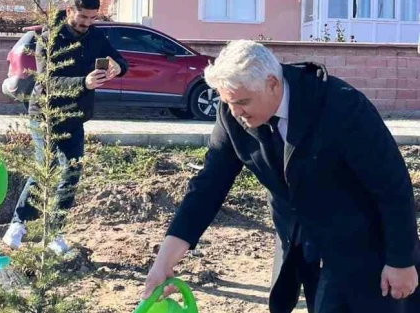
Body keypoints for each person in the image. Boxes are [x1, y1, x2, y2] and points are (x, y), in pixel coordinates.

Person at [143, 40, 420, 313]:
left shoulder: (341, 106)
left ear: (272, 84)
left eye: (242, 102)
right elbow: (207, 187)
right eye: (228, 103)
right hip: (300, 242)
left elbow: (392, 185)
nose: (235, 112)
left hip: (361, 243)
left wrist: (401, 260)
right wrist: (164, 262)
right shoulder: (233, 114)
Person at [2, 0, 128, 254]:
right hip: (46, 114)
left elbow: (118, 58)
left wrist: (119, 66)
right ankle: (18, 224)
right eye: (83, 17)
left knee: (71, 172)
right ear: (70, 10)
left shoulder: (95, 36)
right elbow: (48, 82)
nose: (87, 23)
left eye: (93, 18)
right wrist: (84, 82)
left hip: (75, 117)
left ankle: (54, 232)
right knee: (45, 167)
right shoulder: (49, 38)